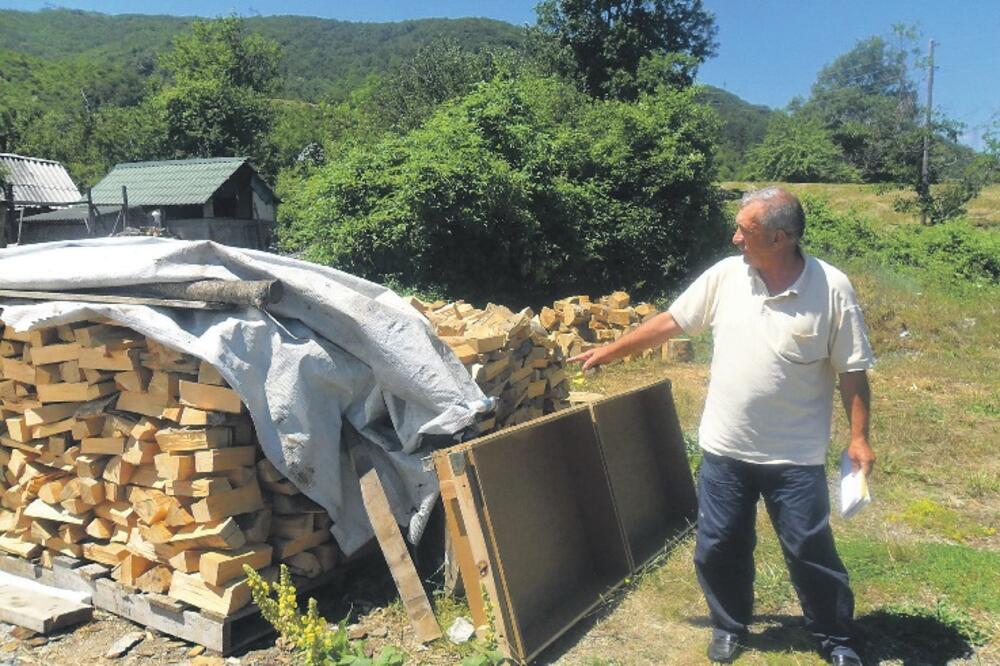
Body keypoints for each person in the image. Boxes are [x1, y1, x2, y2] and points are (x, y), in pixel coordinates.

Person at [570, 188, 874, 666]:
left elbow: (852, 371)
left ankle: (836, 637)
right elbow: (672, 321)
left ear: (779, 237)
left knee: (809, 548)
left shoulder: (832, 288)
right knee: (718, 545)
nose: (735, 238)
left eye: (745, 230)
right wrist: (610, 351)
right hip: (726, 449)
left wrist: (859, 439)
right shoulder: (727, 277)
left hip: (795, 455)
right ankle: (729, 625)